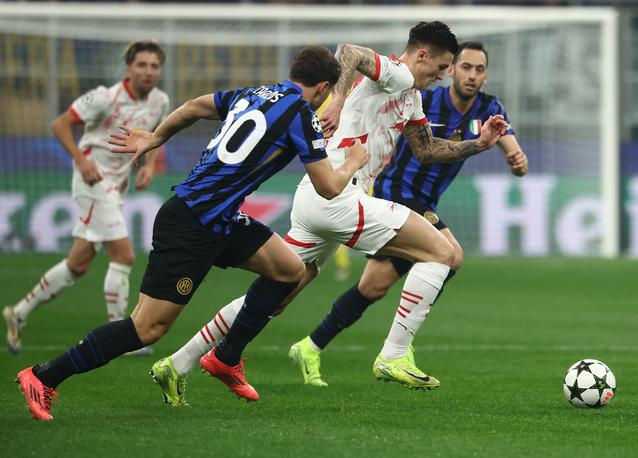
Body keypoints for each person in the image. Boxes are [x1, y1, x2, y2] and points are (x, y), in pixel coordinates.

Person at [150, 22, 511, 407]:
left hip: (321, 197)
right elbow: (348, 51)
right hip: (337, 195)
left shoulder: (411, 96)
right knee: (441, 253)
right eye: (440, 68)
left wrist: (479, 143)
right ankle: (393, 355)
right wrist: (336, 99)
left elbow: (425, 149)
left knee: (277, 294)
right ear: (421, 55)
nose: (442, 77)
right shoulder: (397, 71)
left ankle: (177, 362)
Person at [15, 45, 368, 421]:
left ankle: (225, 357)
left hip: (219, 218)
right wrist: (353, 162)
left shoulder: (253, 93)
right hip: (193, 222)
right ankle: (43, 376)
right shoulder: (301, 113)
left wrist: (155, 136)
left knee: (289, 269)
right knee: (147, 328)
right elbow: (329, 187)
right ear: (325, 87)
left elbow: (195, 106)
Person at [291, 40, 529, 386]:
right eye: (464, 67)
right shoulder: (425, 96)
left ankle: (310, 346)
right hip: (397, 192)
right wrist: (342, 100)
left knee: (372, 287)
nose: (471, 75)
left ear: (486, 75)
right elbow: (420, 145)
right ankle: (398, 349)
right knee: (451, 255)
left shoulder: (489, 108)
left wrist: (516, 159)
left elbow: (511, 149)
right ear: (450, 71)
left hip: (426, 202)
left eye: (479, 69)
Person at [3, 40, 169, 357]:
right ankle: (121, 338)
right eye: (142, 65)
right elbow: (60, 123)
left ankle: (19, 312)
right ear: (128, 69)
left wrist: (148, 165)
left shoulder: (160, 100)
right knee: (124, 255)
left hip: (116, 187)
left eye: (154, 66)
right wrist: (82, 159)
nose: (149, 71)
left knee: (78, 264)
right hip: (91, 182)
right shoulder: (105, 98)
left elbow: (156, 134)